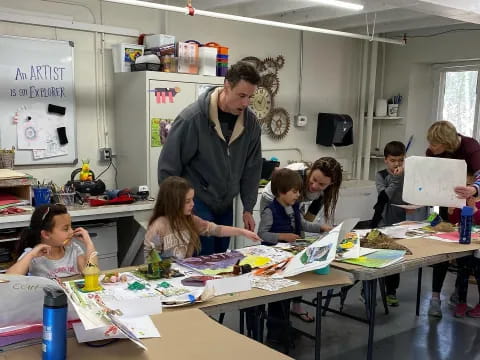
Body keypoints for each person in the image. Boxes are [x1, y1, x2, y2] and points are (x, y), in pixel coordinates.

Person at [157, 61, 262, 255]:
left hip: (225, 203)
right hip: (196, 203)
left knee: (221, 260)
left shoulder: (251, 124)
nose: (246, 103)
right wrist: (176, 209)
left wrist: (248, 207)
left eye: (250, 97)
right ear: (227, 86)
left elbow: (252, 167)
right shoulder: (192, 119)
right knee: (200, 262)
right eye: (241, 96)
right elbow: (168, 169)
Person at [258, 168, 326, 337]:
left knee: (287, 295)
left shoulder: (294, 206)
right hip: (274, 259)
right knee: (277, 300)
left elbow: (303, 224)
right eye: (294, 192)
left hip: (289, 257)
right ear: (281, 192)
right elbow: (262, 234)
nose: (298, 195)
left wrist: (321, 227)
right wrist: (282, 236)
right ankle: (275, 333)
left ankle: (284, 327)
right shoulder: (270, 210)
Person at [426, 121, 480, 317]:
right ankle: (434, 298)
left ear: (446, 142)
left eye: (435, 144)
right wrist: (422, 197)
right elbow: (429, 177)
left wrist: (473, 189)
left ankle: (460, 295)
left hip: (467, 201)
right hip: (445, 201)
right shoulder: (432, 151)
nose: (431, 148)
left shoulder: (471, 147)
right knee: (442, 250)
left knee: (465, 252)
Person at [144, 176, 260, 259]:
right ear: (173, 202)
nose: (193, 204)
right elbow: (150, 257)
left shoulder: (190, 220)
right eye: (187, 201)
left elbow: (215, 229)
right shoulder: (159, 226)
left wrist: (241, 232)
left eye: (192, 199)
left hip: (181, 273)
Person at [7, 204, 97, 279]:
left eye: (70, 226)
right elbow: (9, 280)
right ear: (46, 234)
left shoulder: (73, 249)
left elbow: (91, 276)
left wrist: (89, 244)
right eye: (66, 229)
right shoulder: (33, 255)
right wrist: (31, 255)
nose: (71, 231)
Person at [372, 141, 410, 306]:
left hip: (402, 221)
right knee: (379, 257)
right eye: (393, 160)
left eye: (400, 160)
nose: (397, 164)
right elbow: (384, 197)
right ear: (386, 160)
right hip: (383, 221)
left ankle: (391, 292)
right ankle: (367, 290)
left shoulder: (409, 174)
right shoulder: (380, 175)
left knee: (396, 257)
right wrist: (395, 179)